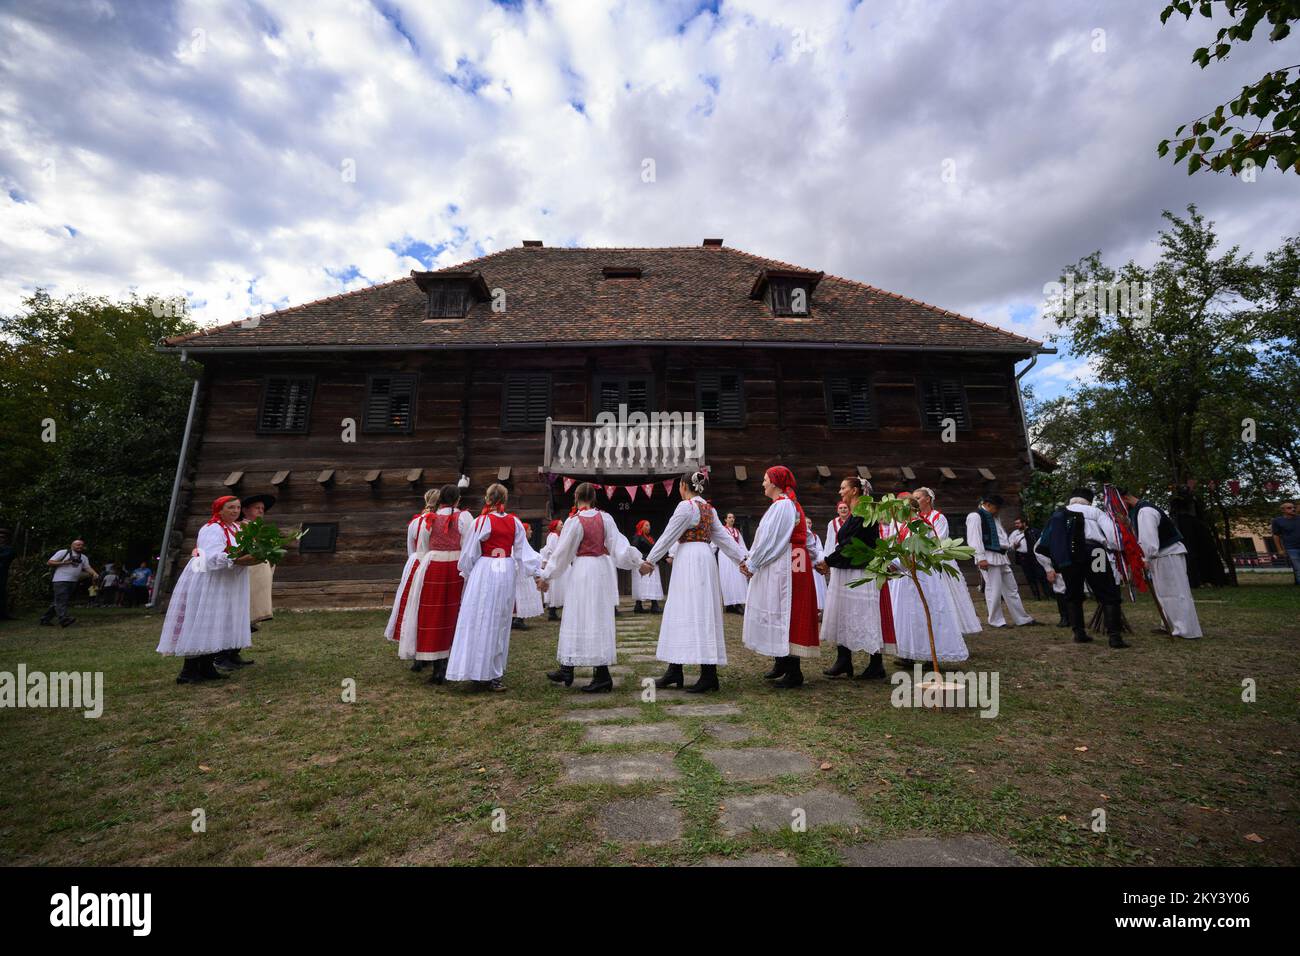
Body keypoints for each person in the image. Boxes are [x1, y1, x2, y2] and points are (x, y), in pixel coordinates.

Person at [639, 471, 746, 693]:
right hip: (704, 558)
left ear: (683, 486)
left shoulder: (686, 507)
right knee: (694, 610)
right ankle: (676, 669)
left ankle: (707, 675)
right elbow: (724, 539)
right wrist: (742, 559)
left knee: (688, 609)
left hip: (689, 560)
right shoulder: (709, 508)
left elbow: (668, 535)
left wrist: (649, 560)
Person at [542, 484, 643, 692]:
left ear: (577, 497)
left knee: (578, 614)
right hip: (600, 570)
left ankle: (598, 674)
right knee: (596, 616)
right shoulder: (605, 518)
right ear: (595, 497)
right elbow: (620, 548)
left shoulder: (574, 521)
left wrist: (546, 575)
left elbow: (562, 554)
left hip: (583, 570)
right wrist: (638, 562)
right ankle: (568, 667)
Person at [445, 484, 541, 691]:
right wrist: (538, 571)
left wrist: (467, 572)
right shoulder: (514, 521)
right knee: (500, 621)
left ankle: (477, 671)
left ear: (487, 498)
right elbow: (523, 552)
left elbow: (469, 553)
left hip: (484, 569)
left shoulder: (481, 521)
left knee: (478, 617)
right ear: (504, 499)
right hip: (505, 569)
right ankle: (492, 673)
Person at [157, 496, 262, 683]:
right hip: (209, 580)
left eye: (238, 507)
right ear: (219, 510)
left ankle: (206, 666)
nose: (235, 511)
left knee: (217, 621)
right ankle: (188, 671)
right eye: (230, 507)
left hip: (226, 581)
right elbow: (211, 557)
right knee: (201, 621)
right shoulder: (211, 529)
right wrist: (235, 559)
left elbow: (244, 549)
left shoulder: (237, 528)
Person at [739, 466, 820, 688]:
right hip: (787, 562)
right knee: (780, 610)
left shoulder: (784, 505)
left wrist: (753, 563)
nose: (762, 484)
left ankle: (793, 671)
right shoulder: (785, 504)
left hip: (787, 565)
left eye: (765, 480)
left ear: (775, 482)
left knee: (786, 611)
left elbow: (773, 540)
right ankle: (782, 662)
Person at [400, 484, 473, 684]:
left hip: (433, 565)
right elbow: (469, 546)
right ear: (458, 500)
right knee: (454, 613)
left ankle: (437, 665)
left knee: (433, 614)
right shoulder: (465, 518)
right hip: (456, 567)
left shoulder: (428, 519)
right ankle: (449, 660)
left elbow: (421, 547)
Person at [1036, 487, 1127, 649]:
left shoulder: (1060, 513)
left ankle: (1079, 633)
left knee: (1073, 593)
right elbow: (1113, 537)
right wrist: (1116, 548)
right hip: (1096, 552)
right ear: (1089, 500)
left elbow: (1046, 540)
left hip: (1069, 557)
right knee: (1107, 592)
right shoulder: (1095, 512)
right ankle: (1115, 637)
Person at [890, 491, 968, 670]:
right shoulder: (903, 525)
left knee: (925, 612)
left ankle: (930, 654)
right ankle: (909, 653)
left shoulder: (921, 525)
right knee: (909, 615)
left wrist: (895, 565)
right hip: (907, 576)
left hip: (923, 575)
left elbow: (916, 552)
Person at [819, 476, 886, 680]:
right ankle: (843, 660)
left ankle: (876, 664)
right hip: (847, 569)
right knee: (844, 614)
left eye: (843, 488)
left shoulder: (864, 513)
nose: (840, 492)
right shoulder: (855, 513)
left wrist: (828, 561)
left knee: (863, 615)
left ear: (855, 490)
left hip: (860, 571)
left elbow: (851, 544)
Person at [1121, 489, 1202, 639]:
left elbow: (1149, 541)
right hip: (1161, 556)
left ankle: (1185, 629)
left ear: (1125, 499)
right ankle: (1170, 624)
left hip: (1167, 554)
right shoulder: (1138, 511)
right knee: (1165, 593)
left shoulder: (1145, 511)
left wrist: (1144, 559)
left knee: (1176, 592)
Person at [913, 487, 981, 635]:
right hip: (920, 561)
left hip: (938, 560)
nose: (915, 501)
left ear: (928, 499)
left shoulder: (938, 517)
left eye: (918, 498)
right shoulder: (914, 518)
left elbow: (940, 540)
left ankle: (952, 628)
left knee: (946, 594)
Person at [966, 495, 1036, 628]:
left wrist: (1009, 546)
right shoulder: (975, 516)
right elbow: (974, 538)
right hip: (988, 557)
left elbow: (1001, 536)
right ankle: (996, 621)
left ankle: (1022, 619)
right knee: (994, 590)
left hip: (1002, 556)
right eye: (996, 508)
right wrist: (980, 558)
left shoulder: (994, 518)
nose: (997, 511)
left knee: (1012, 588)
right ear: (987, 504)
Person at [385, 492, 437, 663]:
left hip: (414, 562)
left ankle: (412, 646)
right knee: (425, 606)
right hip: (429, 562)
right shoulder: (437, 521)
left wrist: (413, 560)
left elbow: (410, 547)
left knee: (410, 605)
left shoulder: (415, 522)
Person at [40, 539, 98, 627]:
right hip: (60, 580)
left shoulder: (83, 557)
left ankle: (45, 619)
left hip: (73, 581)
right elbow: (50, 562)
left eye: (81, 545)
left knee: (59, 601)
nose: (80, 546)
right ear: (72, 546)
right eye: (78, 545)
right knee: (62, 600)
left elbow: (87, 567)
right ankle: (64, 619)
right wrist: (64, 563)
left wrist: (94, 573)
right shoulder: (63, 552)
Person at [240, 493, 277, 628]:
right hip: (247, 572)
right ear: (245, 510)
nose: (261, 510)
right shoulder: (240, 527)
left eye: (262, 508)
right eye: (257, 508)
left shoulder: (261, 530)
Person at [512, 522, 545, 630]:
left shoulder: (520, 542)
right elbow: (527, 557)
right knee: (521, 593)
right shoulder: (521, 542)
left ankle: (516, 618)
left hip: (520, 571)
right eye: (529, 529)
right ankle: (518, 618)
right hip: (522, 573)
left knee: (517, 595)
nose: (531, 531)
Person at [717, 513, 748, 614]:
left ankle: (738, 603)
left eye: (733, 517)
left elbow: (741, 545)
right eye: (729, 517)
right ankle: (729, 604)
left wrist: (746, 555)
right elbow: (715, 542)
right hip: (725, 556)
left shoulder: (737, 531)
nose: (732, 519)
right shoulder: (722, 530)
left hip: (735, 556)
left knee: (738, 578)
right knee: (727, 578)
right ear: (725, 520)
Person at [1008, 517, 1046, 600]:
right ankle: (1036, 596)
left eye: (1018, 523)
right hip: (1023, 557)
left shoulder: (1034, 531)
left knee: (1041, 575)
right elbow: (1010, 545)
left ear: (1024, 523)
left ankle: (1047, 595)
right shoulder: (1015, 533)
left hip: (1035, 556)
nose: (1016, 525)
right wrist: (1014, 546)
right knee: (1029, 577)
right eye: (1015, 523)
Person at [630, 519, 663, 614]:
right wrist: (642, 559)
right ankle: (639, 605)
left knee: (651, 583)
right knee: (641, 583)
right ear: (641, 527)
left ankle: (654, 604)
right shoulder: (637, 537)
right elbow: (634, 550)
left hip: (651, 563)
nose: (649, 527)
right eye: (646, 525)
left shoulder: (651, 538)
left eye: (649, 525)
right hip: (642, 564)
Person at [539, 519, 566, 620]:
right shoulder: (553, 536)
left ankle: (554, 610)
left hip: (560, 563)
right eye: (561, 524)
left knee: (559, 586)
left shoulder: (558, 536)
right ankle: (552, 610)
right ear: (555, 526)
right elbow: (552, 550)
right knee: (554, 586)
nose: (562, 526)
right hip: (556, 564)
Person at [1271, 501, 1300, 585]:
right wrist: (1279, 549)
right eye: (1289, 508)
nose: (1293, 509)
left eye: (1293, 507)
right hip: (1291, 548)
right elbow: (1276, 536)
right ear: (1283, 510)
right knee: (1298, 569)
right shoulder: (1277, 521)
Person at [806, 518, 827, 615]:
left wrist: (819, 561)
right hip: (803, 566)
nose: (808, 524)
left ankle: (816, 609)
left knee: (816, 588)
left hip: (813, 566)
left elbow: (819, 550)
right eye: (806, 522)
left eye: (810, 522)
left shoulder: (815, 536)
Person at [0, 529, 14, 620]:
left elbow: (5, 557)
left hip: (1, 574)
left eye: (2, 537)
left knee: (1, 593)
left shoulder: (8, 549)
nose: (1, 539)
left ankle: (3, 614)